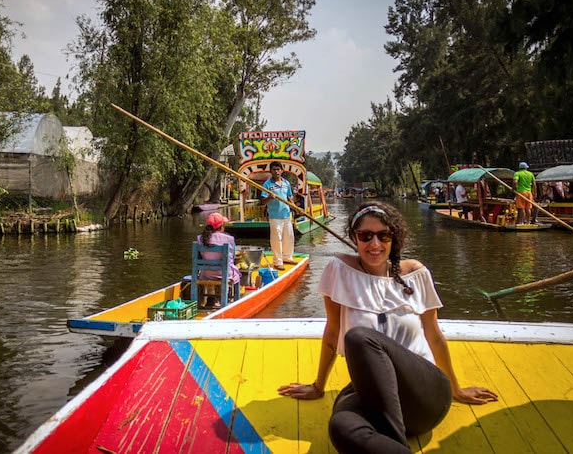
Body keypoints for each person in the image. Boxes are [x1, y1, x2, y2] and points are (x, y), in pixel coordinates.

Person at [278, 201, 497, 453]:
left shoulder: (415, 273)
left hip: (423, 395)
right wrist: (318, 386)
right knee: (340, 427)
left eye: (384, 235)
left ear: (394, 238)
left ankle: (396, 442)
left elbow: (434, 335)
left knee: (360, 338)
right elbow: (332, 331)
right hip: (375, 396)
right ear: (354, 237)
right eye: (365, 236)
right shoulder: (340, 271)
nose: (374, 244)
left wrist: (456, 388)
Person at [196, 212, 241, 308]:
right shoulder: (229, 239)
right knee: (235, 272)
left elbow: (200, 256)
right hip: (223, 273)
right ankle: (229, 297)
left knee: (210, 271)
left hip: (206, 274)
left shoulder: (200, 238)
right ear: (221, 226)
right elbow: (231, 258)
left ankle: (211, 299)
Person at [261, 161, 296, 270]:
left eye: (278, 169)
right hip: (275, 216)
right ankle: (278, 261)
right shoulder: (267, 184)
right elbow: (263, 201)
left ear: (282, 170)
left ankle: (287, 257)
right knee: (276, 239)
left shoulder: (286, 183)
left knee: (289, 237)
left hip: (286, 214)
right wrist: (270, 197)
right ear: (270, 171)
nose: (276, 171)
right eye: (274, 169)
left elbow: (289, 196)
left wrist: (293, 205)